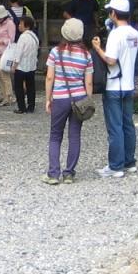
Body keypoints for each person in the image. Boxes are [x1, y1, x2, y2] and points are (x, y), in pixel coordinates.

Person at [92, 0, 138, 179]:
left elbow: (111, 60)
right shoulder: (134, 33)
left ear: (113, 13)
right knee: (128, 124)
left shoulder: (115, 34)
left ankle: (115, 166)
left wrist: (98, 48)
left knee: (115, 127)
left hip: (114, 85)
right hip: (128, 84)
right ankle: (129, 162)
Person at [44, 18, 93, 184]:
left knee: (55, 136)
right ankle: (69, 173)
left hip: (60, 97)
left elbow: (49, 77)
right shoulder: (86, 55)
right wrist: (88, 100)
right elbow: (89, 82)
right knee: (75, 135)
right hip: (79, 98)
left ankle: (53, 174)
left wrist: (48, 98)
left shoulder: (55, 52)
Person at [11, 14, 40, 114]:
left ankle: (21, 107)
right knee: (31, 87)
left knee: (19, 88)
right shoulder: (35, 37)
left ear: (27, 26)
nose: (19, 25)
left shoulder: (23, 37)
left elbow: (18, 52)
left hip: (21, 66)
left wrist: (14, 65)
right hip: (31, 66)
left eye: (21, 24)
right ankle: (31, 107)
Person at [0, 4, 18, 106]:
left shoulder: (10, 24)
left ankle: (9, 96)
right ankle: (3, 94)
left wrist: (0, 42)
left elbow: (11, 39)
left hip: (6, 53)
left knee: (5, 75)